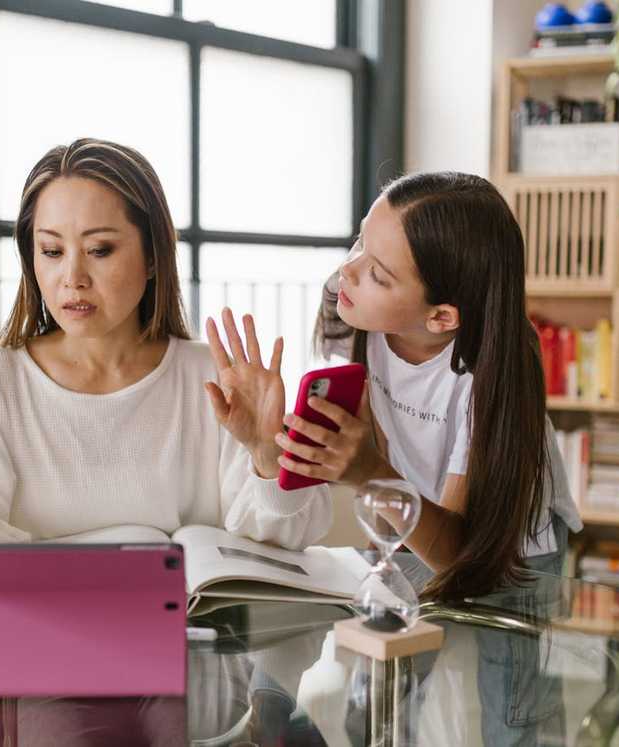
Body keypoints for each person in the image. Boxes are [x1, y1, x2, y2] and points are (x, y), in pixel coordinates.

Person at [236, 171, 582, 745]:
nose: (347, 272)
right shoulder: (356, 314)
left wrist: (369, 471)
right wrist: (270, 439)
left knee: (517, 713)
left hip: (511, 545)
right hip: (415, 516)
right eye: (359, 245)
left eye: (376, 272)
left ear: (442, 317)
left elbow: (460, 555)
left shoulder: (486, 380)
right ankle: (274, 721)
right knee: (375, 691)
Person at [0, 137, 331, 590]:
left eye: (100, 250)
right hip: (39, 629)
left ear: (151, 257)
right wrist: (33, 574)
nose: (73, 278)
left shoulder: (212, 381)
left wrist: (270, 458)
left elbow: (288, 542)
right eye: (51, 251)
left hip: (197, 643)